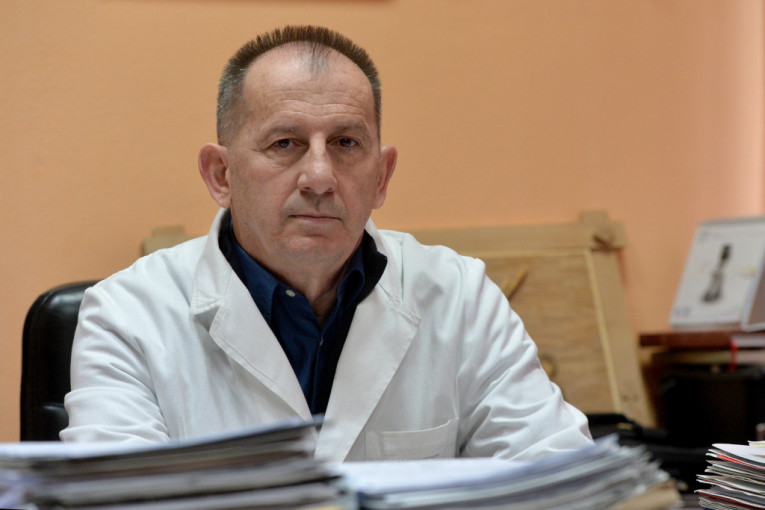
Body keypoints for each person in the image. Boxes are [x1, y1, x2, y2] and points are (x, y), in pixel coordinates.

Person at [62, 25, 593, 462]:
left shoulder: (461, 297)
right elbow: (111, 498)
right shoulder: (127, 315)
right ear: (221, 174)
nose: (319, 176)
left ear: (381, 176)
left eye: (345, 143)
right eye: (285, 142)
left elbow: (559, 478)